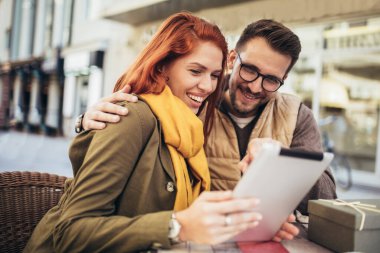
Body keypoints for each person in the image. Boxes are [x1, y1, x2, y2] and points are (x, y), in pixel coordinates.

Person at [25, 13, 298, 253]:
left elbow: (195, 220)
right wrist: (176, 227)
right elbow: (69, 233)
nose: (207, 86)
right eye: (195, 71)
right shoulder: (131, 117)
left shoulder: (189, 123)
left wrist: (254, 226)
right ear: (162, 66)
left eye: (215, 75)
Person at [79, 19, 337, 216]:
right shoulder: (193, 99)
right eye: (250, 71)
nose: (256, 87)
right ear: (233, 59)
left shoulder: (297, 115)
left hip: (260, 234)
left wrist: (284, 160)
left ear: (284, 79)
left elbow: (327, 198)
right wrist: (85, 122)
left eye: (271, 79)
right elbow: (136, 122)